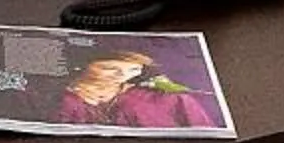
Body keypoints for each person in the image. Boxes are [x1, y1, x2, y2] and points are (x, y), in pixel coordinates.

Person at [53, 50, 216, 130]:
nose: (122, 75)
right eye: (110, 68)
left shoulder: (170, 100)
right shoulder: (57, 98)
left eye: (133, 70)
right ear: (83, 66)